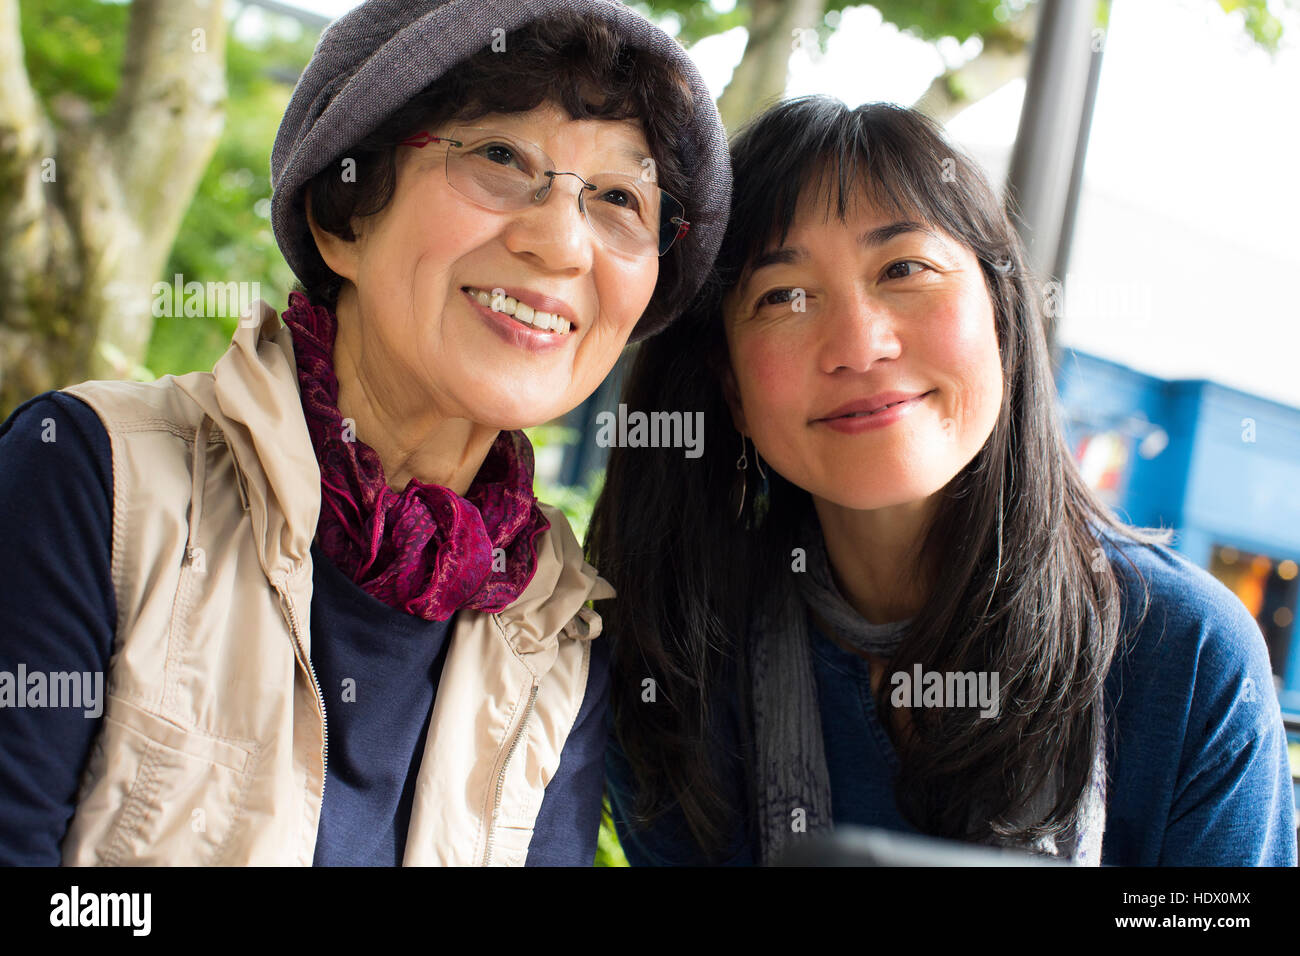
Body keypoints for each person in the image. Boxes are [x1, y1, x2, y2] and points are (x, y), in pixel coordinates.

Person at [0, 0, 730, 866]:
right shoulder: (100, 480)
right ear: (344, 215)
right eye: (500, 155)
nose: (562, 244)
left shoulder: (559, 628)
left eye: (618, 198)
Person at [589, 95, 1297, 866]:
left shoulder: (1186, 655)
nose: (858, 344)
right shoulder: (680, 653)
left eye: (905, 269)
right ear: (732, 391)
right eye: (783, 295)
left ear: (1001, 316)